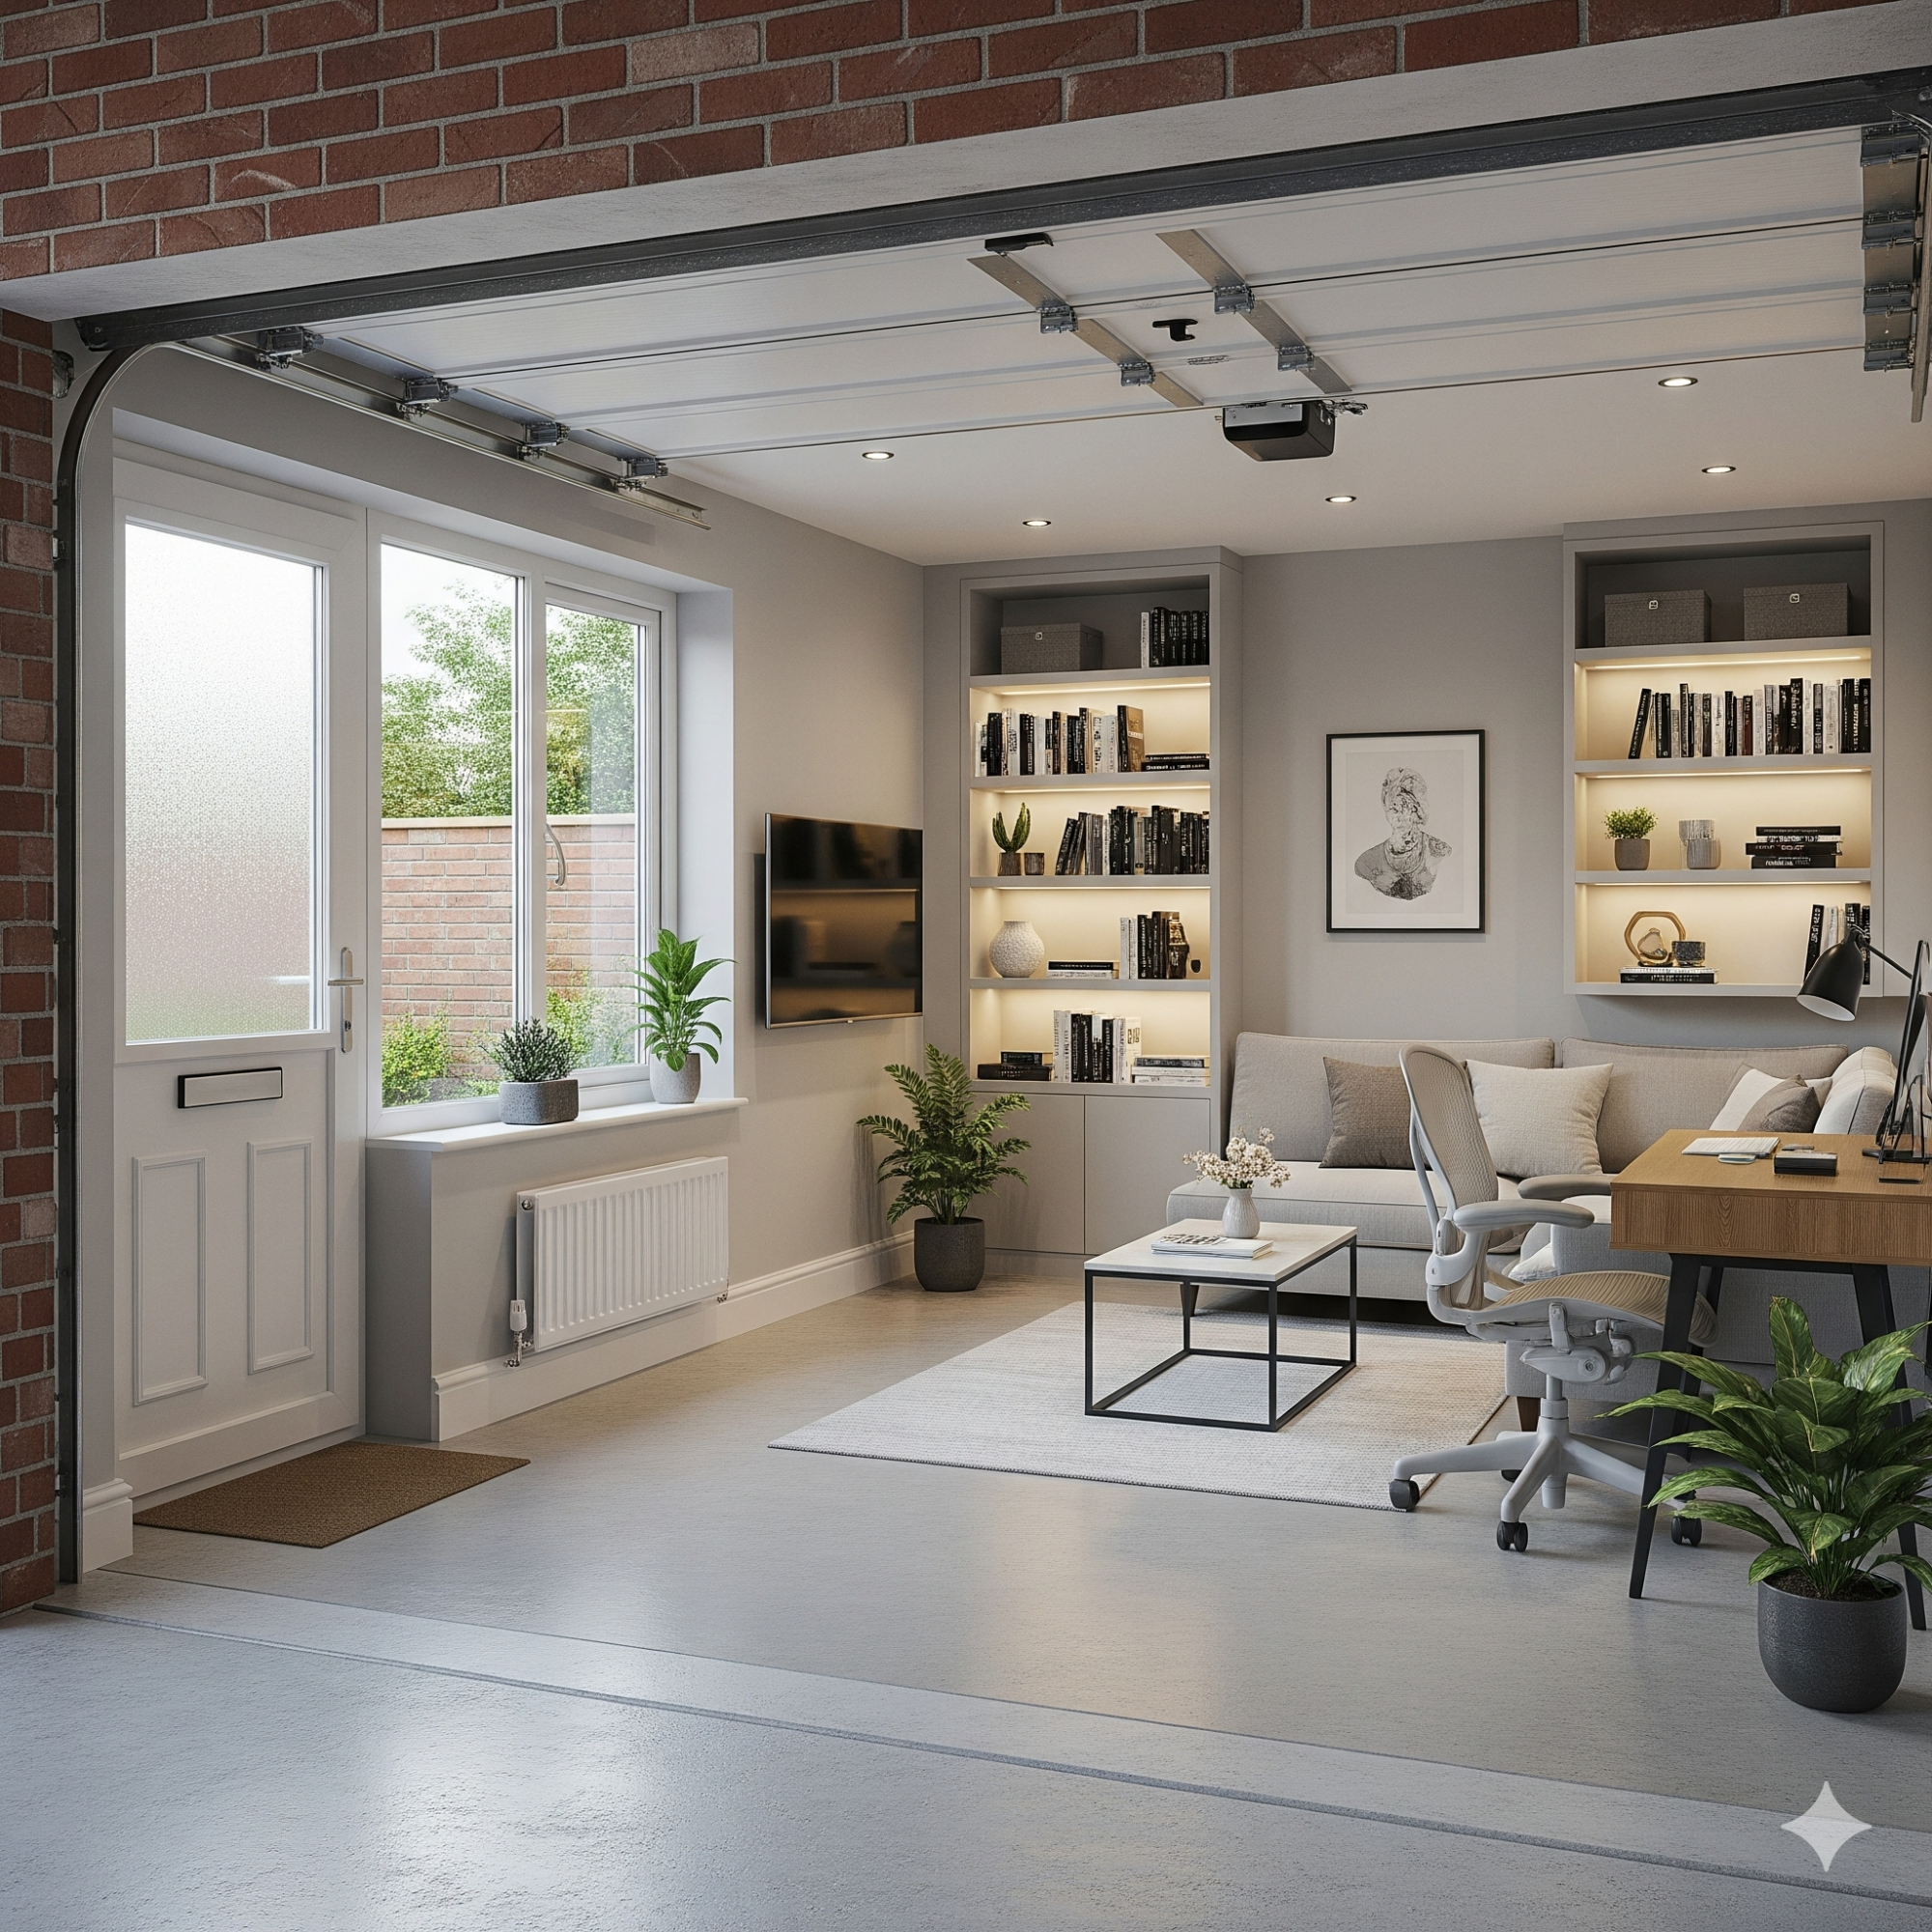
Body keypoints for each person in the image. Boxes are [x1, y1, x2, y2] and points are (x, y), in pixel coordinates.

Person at [1354, 765, 1450, 901]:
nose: (1398, 813)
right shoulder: (1367, 862)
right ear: (1386, 811)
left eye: (1404, 805)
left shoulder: (1439, 852)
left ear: (1417, 811)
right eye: (1393, 807)